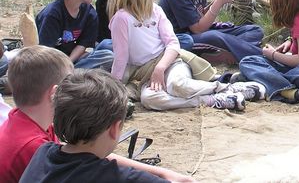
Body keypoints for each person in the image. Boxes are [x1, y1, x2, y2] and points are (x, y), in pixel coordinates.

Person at [0, 46, 192, 183]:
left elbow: (82, 153)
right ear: (55, 94)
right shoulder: (31, 147)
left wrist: (161, 172)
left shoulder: (38, 140)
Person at [109, 0, 265, 111]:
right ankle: (213, 100)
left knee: (177, 86)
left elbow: (172, 43)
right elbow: (121, 57)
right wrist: (115, 89)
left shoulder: (155, 10)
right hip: (144, 74)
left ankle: (226, 87)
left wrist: (160, 68)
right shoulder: (121, 19)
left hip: (169, 62)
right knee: (150, 99)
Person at [21, 70, 170, 182]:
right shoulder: (120, 177)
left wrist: (159, 172)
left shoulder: (42, 154)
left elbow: (82, 158)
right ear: (114, 129)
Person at [36, 0, 114, 71]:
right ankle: (70, 76)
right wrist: (63, 66)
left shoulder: (89, 12)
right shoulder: (52, 15)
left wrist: (69, 62)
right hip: (52, 63)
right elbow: (45, 52)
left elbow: (83, 44)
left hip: (73, 60)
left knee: (108, 53)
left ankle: (72, 75)